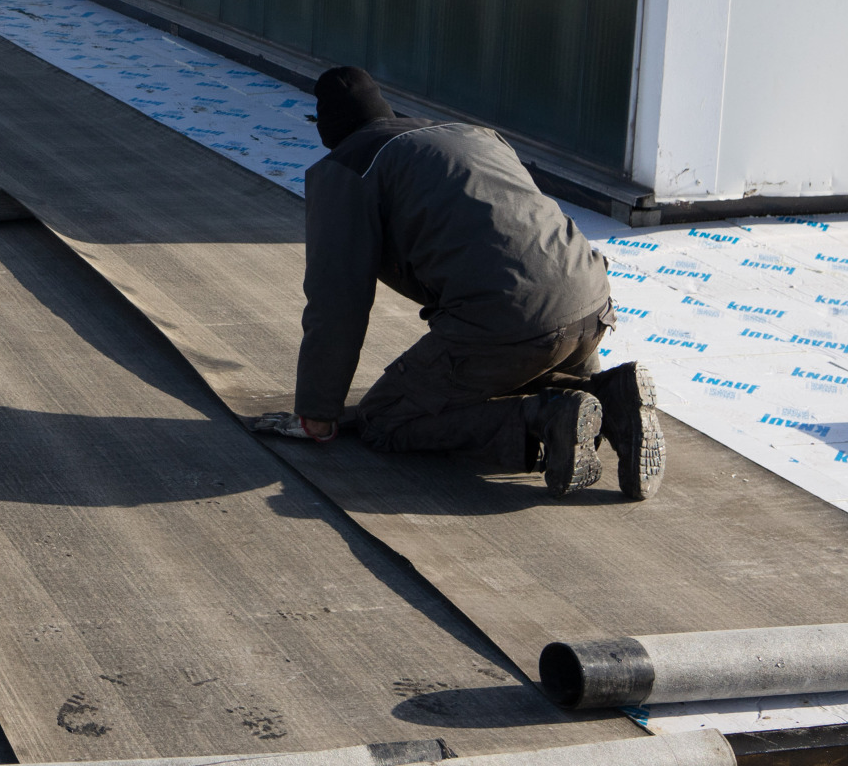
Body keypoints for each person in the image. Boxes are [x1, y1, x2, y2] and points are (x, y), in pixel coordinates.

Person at [254, 68, 660, 501]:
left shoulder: (348, 167)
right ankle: (611, 395)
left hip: (509, 322)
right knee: (518, 362)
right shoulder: (471, 134)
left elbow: (337, 301)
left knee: (383, 419)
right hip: (591, 299)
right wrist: (585, 373)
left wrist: (317, 411)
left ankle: (544, 419)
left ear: (329, 130)